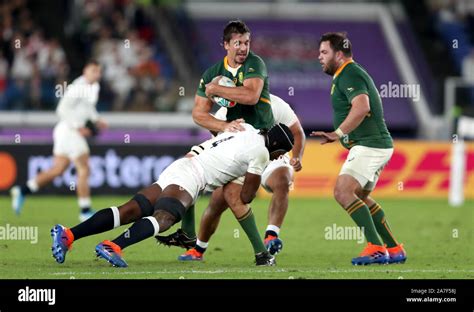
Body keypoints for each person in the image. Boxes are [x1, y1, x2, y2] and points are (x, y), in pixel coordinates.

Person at [50, 123, 294, 267]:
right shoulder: (261, 153)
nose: (276, 158)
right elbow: (248, 196)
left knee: (128, 211)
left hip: (181, 165)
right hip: (192, 177)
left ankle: (69, 234)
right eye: (280, 154)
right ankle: (113, 245)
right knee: (165, 219)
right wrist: (246, 177)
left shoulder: (246, 129)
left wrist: (189, 233)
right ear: (277, 148)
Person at [156, 94, 306, 261]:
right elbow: (216, 133)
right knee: (217, 203)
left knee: (282, 182)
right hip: (240, 157)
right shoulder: (228, 108)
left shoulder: (275, 104)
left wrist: (297, 157)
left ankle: (271, 235)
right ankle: (198, 248)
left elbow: (297, 132)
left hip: (273, 153)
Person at [311, 32, 406, 265]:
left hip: (369, 145)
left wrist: (338, 133)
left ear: (339, 55)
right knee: (361, 196)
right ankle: (394, 248)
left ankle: (375, 248)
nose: (319, 57)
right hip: (375, 145)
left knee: (343, 192)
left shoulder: (349, 73)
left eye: (324, 52)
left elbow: (361, 107)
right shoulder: (347, 74)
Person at [10, 60, 107, 222]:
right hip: (70, 131)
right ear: (85, 71)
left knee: (58, 169)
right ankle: (85, 210)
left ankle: (23, 190)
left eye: (98, 71)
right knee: (84, 169)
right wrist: (78, 127)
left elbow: (86, 108)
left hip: (63, 132)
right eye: (93, 70)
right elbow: (61, 109)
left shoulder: (93, 87)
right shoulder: (78, 87)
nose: (96, 74)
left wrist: (97, 119)